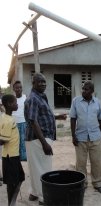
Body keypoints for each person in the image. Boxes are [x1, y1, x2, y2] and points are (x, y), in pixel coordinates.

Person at [24, 72, 67, 205]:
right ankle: (43, 196)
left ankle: (34, 193)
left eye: (44, 82)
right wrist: (44, 144)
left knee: (36, 167)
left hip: (40, 139)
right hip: (38, 140)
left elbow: (43, 116)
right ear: (33, 83)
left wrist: (57, 117)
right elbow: (33, 121)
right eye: (40, 82)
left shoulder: (41, 96)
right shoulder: (33, 98)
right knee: (43, 169)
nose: (43, 84)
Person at [69, 81, 101, 193]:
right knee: (80, 163)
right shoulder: (76, 101)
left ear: (92, 91)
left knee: (97, 162)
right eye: (83, 89)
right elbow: (72, 118)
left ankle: (97, 183)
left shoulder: (97, 102)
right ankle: (82, 183)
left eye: (86, 89)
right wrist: (73, 136)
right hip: (80, 138)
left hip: (96, 137)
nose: (84, 91)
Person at [0, 94, 25, 206]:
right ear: (9, 104)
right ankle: (11, 203)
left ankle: (12, 202)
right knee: (12, 183)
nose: (17, 104)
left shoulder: (10, 118)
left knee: (20, 177)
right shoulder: (7, 120)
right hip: (10, 157)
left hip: (14, 155)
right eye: (15, 102)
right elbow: (2, 140)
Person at [12, 81, 27, 161]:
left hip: (24, 122)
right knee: (15, 141)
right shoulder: (12, 98)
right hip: (13, 123)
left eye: (20, 87)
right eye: (17, 88)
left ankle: (23, 157)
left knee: (23, 141)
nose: (19, 89)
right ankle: (15, 157)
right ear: (13, 89)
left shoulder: (25, 97)